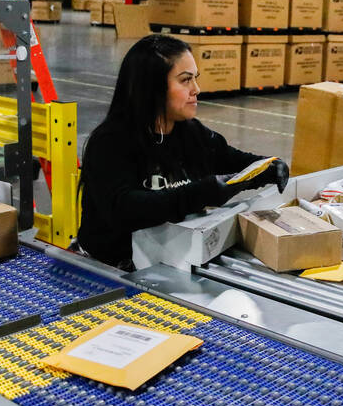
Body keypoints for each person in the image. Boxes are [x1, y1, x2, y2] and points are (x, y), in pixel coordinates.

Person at [77, 34, 288, 270]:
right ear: (152, 87)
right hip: (112, 269)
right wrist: (200, 193)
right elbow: (125, 209)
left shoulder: (191, 133)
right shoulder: (110, 143)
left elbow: (231, 160)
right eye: (185, 80)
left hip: (170, 261)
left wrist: (266, 166)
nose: (196, 89)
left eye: (195, 79)